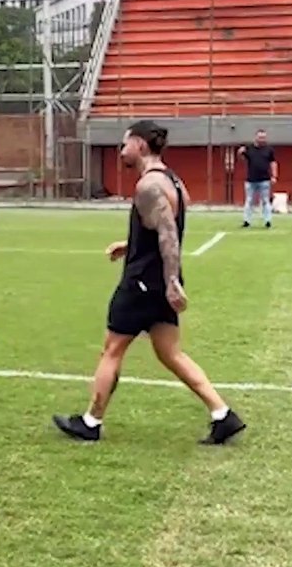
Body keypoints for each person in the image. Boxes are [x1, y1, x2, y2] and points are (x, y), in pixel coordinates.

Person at [53, 120, 246, 445]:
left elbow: (169, 232)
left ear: (140, 145)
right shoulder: (173, 180)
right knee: (171, 354)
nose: (121, 150)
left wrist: (169, 280)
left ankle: (91, 422)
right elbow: (163, 225)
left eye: (125, 144)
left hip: (143, 283)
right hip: (158, 281)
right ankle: (222, 414)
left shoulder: (149, 186)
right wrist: (132, 245)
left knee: (112, 350)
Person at [237, 129, 276, 228]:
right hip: (251, 180)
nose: (262, 139)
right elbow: (242, 159)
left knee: (265, 201)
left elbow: (273, 163)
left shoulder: (269, 150)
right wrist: (240, 153)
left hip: (265, 180)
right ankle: (247, 221)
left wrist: (274, 176)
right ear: (256, 137)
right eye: (260, 137)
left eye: (263, 137)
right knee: (249, 201)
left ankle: (268, 221)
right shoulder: (249, 148)